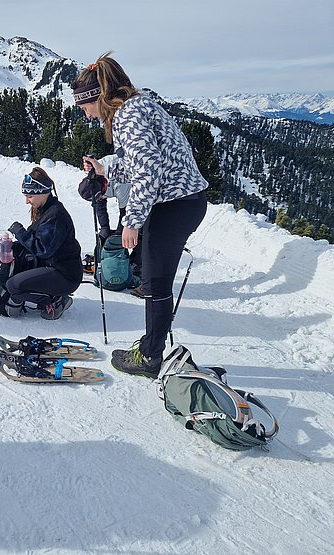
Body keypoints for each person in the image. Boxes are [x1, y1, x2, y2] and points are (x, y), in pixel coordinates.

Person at [73, 52, 208, 377]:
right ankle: (151, 346)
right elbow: (141, 164)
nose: (86, 113)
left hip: (174, 204)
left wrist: (131, 221)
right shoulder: (138, 106)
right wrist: (105, 169)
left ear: (97, 96)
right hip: (182, 201)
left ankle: (150, 357)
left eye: (84, 105)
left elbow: (148, 171)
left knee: (155, 283)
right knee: (153, 279)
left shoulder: (129, 115)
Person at [4, 167, 83, 320]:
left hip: (65, 274)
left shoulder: (55, 215)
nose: (27, 201)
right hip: (51, 265)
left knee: (13, 286)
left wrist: (20, 232)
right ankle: (46, 293)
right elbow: (34, 239)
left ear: (43, 193)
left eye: (30, 196)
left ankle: (55, 300)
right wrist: (14, 246)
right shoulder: (45, 209)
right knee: (14, 270)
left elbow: (42, 249)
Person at [79, 153, 143, 281]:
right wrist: (104, 229)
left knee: (137, 229)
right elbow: (100, 207)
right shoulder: (92, 180)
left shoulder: (121, 185)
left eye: (100, 196)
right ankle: (105, 257)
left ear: (104, 186)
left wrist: (118, 236)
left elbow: (125, 213)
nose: (100, 199)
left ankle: (137, 265)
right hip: (108, 181)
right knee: (105, 232)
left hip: (140, 189)